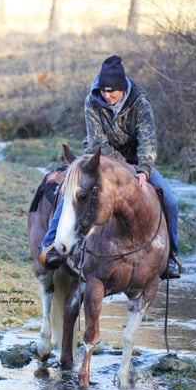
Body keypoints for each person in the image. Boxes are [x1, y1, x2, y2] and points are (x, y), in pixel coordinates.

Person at [40, 55, 181, 279]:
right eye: (103, 90)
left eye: (112, 91)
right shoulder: (92, 101)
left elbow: (148, 139)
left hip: (136, 161)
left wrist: (143, 169)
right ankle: (50, 247)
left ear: (122, 88)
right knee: (74, 192)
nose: (107, 95)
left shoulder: (140, 103)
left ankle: (170, 256)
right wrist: (124, 170)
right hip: (100, 158)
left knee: (171, 201)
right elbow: (98, 142)